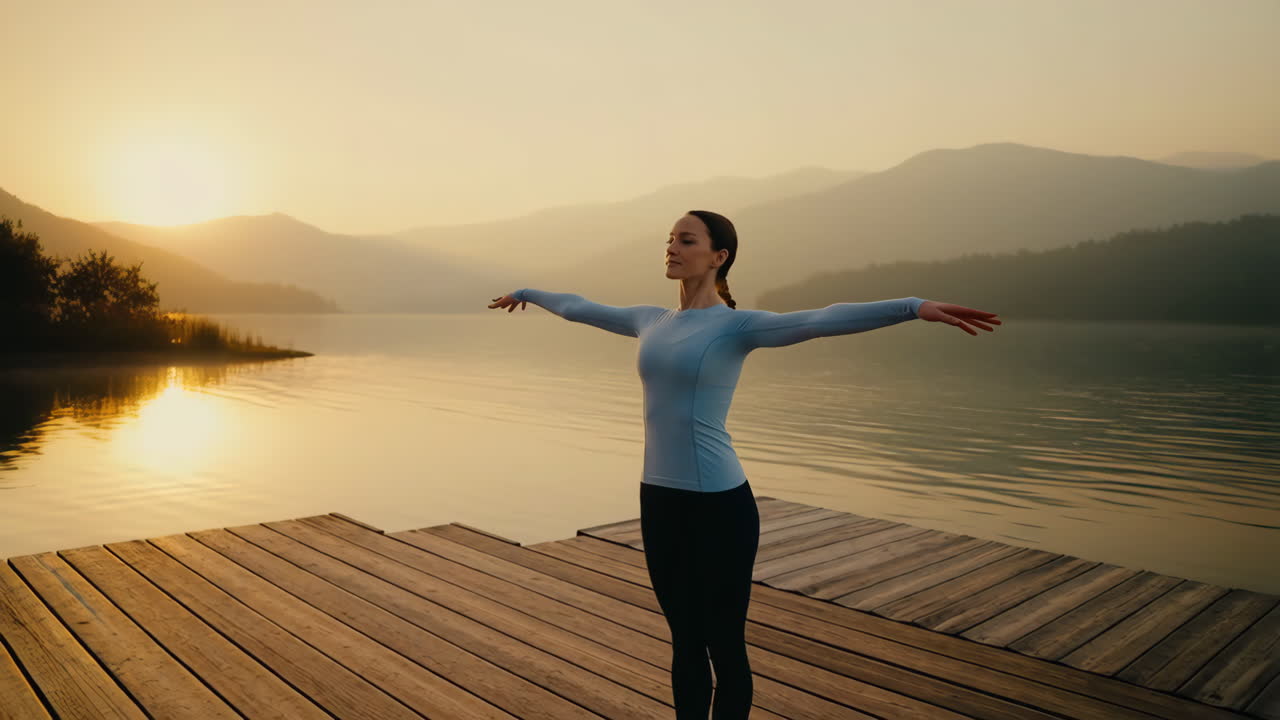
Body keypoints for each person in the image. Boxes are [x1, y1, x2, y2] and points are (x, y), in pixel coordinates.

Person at [488, 210, 1001, 719]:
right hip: (660, 500)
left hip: (720, 506)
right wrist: (528, 292)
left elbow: (823, 318)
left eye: (685, 240)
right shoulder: (651, 320)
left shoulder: (736, 327)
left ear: (719, 256)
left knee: (724, 643)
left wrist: (914, 306)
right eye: (669, 239)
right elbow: (580, 307)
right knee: (685, 641)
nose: (671, 248)